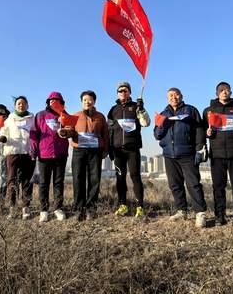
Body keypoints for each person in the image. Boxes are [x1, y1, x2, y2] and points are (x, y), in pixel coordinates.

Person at [154, 87, 208, 228]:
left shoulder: (191, 111)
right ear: (167, 98)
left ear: (181, 96)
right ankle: (181, 210)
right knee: (175, 184)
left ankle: (200, 213)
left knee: (193, 184)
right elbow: (157, 135)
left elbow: (199, 130)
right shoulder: (163, 113)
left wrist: (200, 149)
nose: (173, 97)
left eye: (176, 95)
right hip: (169, 155)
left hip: (188, 153)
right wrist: (160, 124)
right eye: (170, 96)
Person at [202, 82, 233, 227]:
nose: (224, 92)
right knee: (218, 187)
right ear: (217, 93)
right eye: (221, 90)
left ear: (230, 92)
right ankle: (219, 216)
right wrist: (206, 132)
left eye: (227, 90)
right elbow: (202, 131)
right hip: (217, 156)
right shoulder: (209, 111)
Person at [59, 90, 109, 221]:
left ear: (94, 102)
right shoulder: (75, 116)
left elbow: (105, 134)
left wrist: (105, 150)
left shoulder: (100, 117)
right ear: (82, 102)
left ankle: (91, 208)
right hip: (79, 151)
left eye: (90, 100)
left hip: (95, 151)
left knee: (94, 179)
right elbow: (70, 131)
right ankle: (78, 209)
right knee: (78, 179)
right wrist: (65, 132)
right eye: (85, 100)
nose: (88, 102)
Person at [107, 81, 150, 218]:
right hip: (118, 150)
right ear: (117, 93)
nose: (123, 93)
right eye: (120, 91)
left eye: (125, 90)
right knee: (120, 178)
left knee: (135, 177)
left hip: (133, 149)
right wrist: (109, 148)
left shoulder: (136, 107)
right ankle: (122, 205)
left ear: (130, 92)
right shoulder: (113, 110)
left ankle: (140, 207)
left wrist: (141, 109)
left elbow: (146, 123)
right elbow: (109, 130)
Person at [31, 92, 70, 223]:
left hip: (61, 154)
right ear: (48, 102)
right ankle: (44, 209)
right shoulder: (40, 115)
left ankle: (58, 208)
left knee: (58, 182)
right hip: (44, 154)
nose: (55, 103)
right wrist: (34, 151)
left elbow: (71, 131)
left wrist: (66, 129)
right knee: (43, 183)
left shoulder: (64, 115)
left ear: (62, 103)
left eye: (58, 101)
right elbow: (34, 134)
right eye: (52, 100)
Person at [0, 96, 35, 220]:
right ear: (15, 106)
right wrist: (2, 137)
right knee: (11, 180)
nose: (21, 105)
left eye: (23, 103)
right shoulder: (9, 119)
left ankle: (26, 207)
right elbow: (3, 131)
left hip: (27, 152)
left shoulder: (32, 119)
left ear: (27, 105)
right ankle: (12, 208)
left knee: (27, 180)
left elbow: (36, 132)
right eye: (19, 103)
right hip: (12, 152)